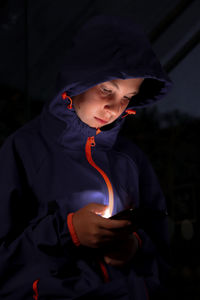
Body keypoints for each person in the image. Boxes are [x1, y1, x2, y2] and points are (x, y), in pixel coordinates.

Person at [0, 15, 172, 300]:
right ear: (78, 78)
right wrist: (67, 231)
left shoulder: (131, 160)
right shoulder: (23, 149)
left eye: (128, 97)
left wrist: (132, 246)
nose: (114, 108)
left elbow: (161, 255)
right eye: (107, 89)